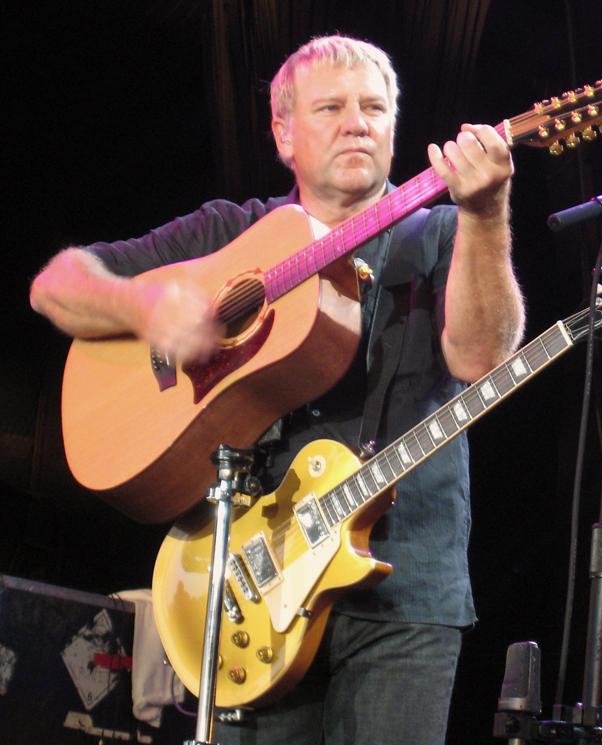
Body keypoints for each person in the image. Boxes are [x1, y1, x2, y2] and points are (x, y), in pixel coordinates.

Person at [30, 35, 524, 745]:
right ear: (284, 133)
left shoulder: (446, 232)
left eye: (374, 108)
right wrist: (145, 307)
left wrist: (485, 211)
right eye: (331, 108)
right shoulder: (230, 232)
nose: (357, 124)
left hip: (404, 586)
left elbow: (480, 358)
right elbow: (56, 286)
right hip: (248, 584)